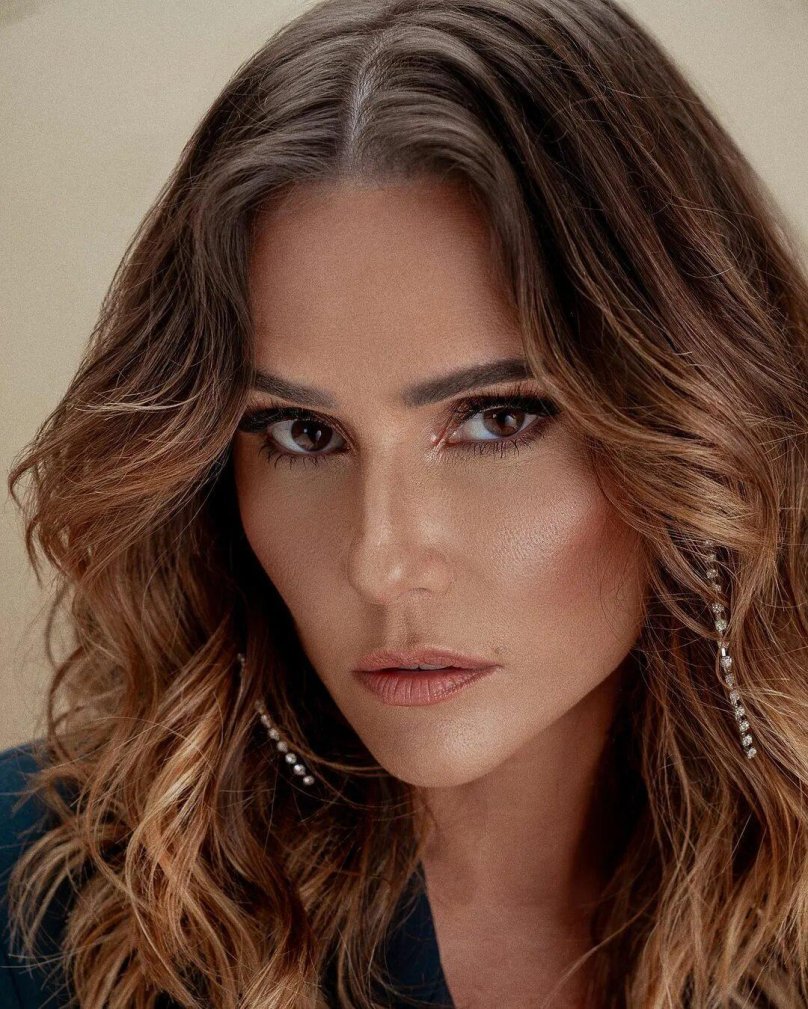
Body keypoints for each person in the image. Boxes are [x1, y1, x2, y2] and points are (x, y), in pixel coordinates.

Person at [2, 0, 807, 1007]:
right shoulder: (34, 904)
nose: (381, 560)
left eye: (499, 419)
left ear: (704, 431)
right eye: (303, 433)